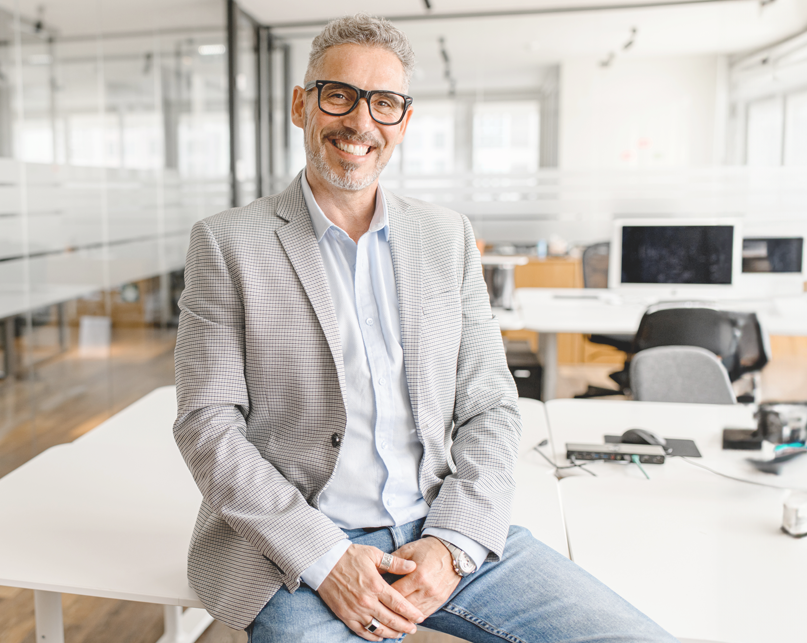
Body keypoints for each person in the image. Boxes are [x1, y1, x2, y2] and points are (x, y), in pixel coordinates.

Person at [173, 13, 678, 643]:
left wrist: (453, 540)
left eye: (383, 103)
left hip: (440, 524)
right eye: (340, 96)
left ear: (403, 122)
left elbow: (491, 405)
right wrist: (326, 558)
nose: (360, 123)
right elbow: (208, 425)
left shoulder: (446, 237)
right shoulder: (227, 244)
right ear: (302, 106)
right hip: (298, 547)